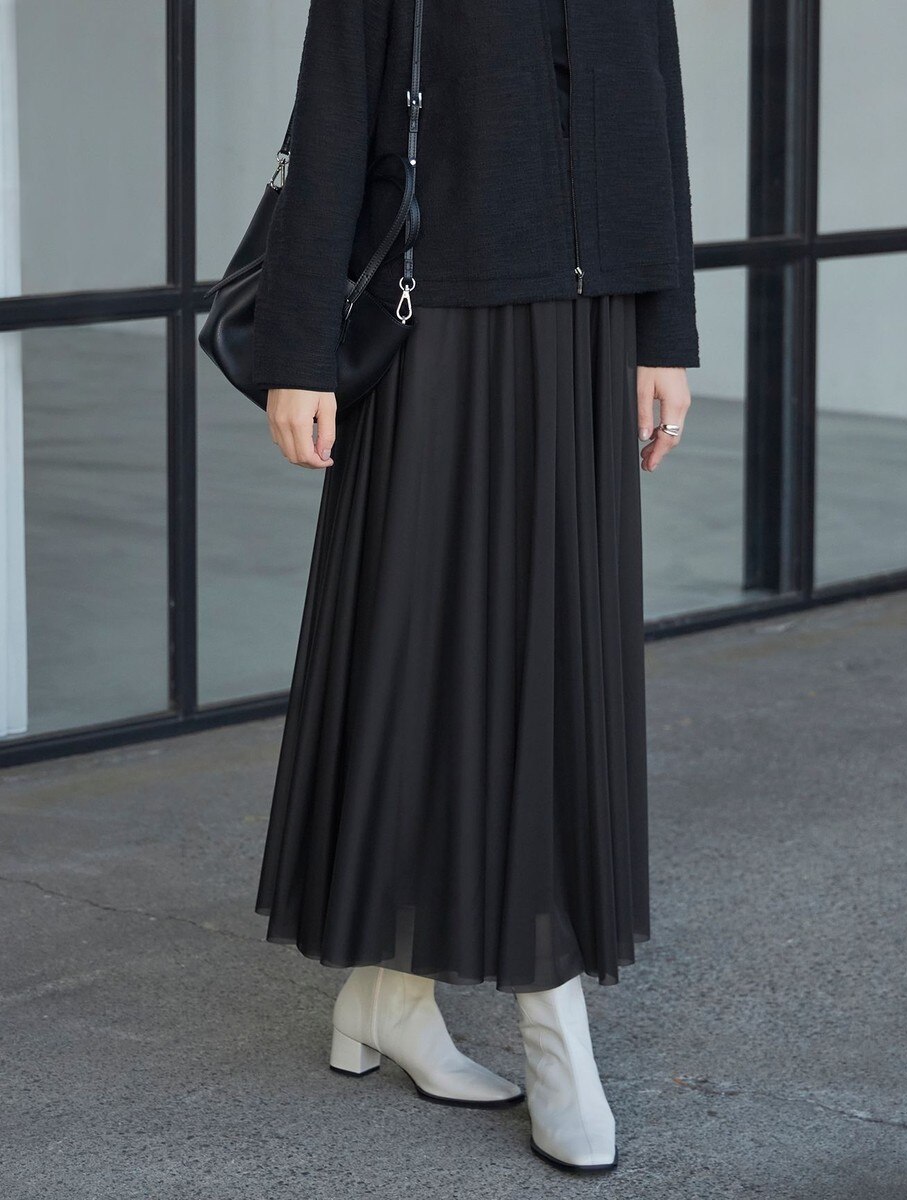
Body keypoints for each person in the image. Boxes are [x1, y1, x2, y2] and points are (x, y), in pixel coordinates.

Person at [251, 0, 698, 1174]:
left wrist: (665, 327)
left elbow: (652, 106)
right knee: (425, 652)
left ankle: (391, 998)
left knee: (552, 654)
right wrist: (298, 351)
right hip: (434, 322)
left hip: (586, 328)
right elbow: (332, 111)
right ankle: (547, 1022)